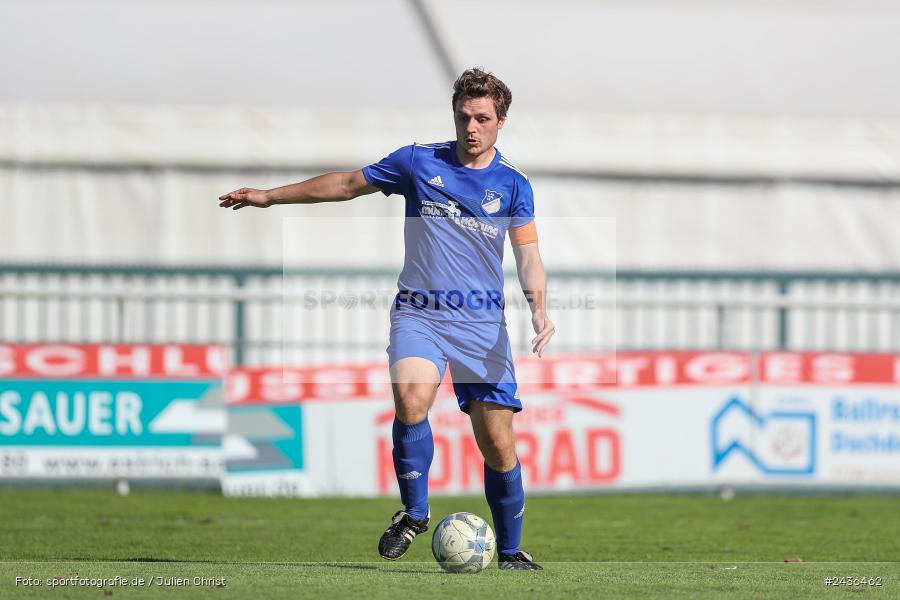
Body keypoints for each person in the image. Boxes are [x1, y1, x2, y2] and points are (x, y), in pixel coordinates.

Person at [218, 67, 555, 570]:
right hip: (419, 312)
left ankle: (510, 551)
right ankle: (415, 514)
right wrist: (270, 196)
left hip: (482, 326)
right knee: (411, 396)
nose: (471, 127)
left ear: (501, 121)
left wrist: (539, 308)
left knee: (497, 444)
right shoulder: (418, 162)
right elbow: (346, 184)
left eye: (482, 118)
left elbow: (527, 253)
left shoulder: (512, 184)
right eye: (464, 116)